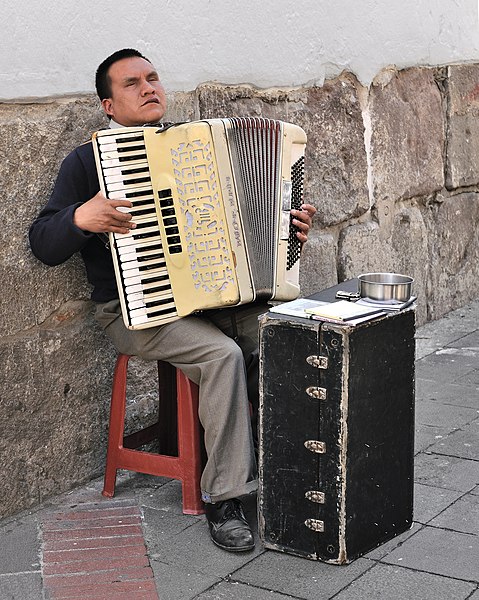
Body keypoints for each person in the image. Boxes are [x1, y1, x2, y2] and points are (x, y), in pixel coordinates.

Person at [29, 48, 316, 553]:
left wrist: (289, 230)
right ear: (108, 106)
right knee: (222, 356)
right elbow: (43, 243)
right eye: (131, 83)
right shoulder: (87, 161)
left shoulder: (196, 146)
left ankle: (292, 468)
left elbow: (251, 220)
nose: (148, 88)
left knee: (287, 335)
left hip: (217, 302)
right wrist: (81, 218)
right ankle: (224, 497)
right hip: (136, 311)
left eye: (153, 78)